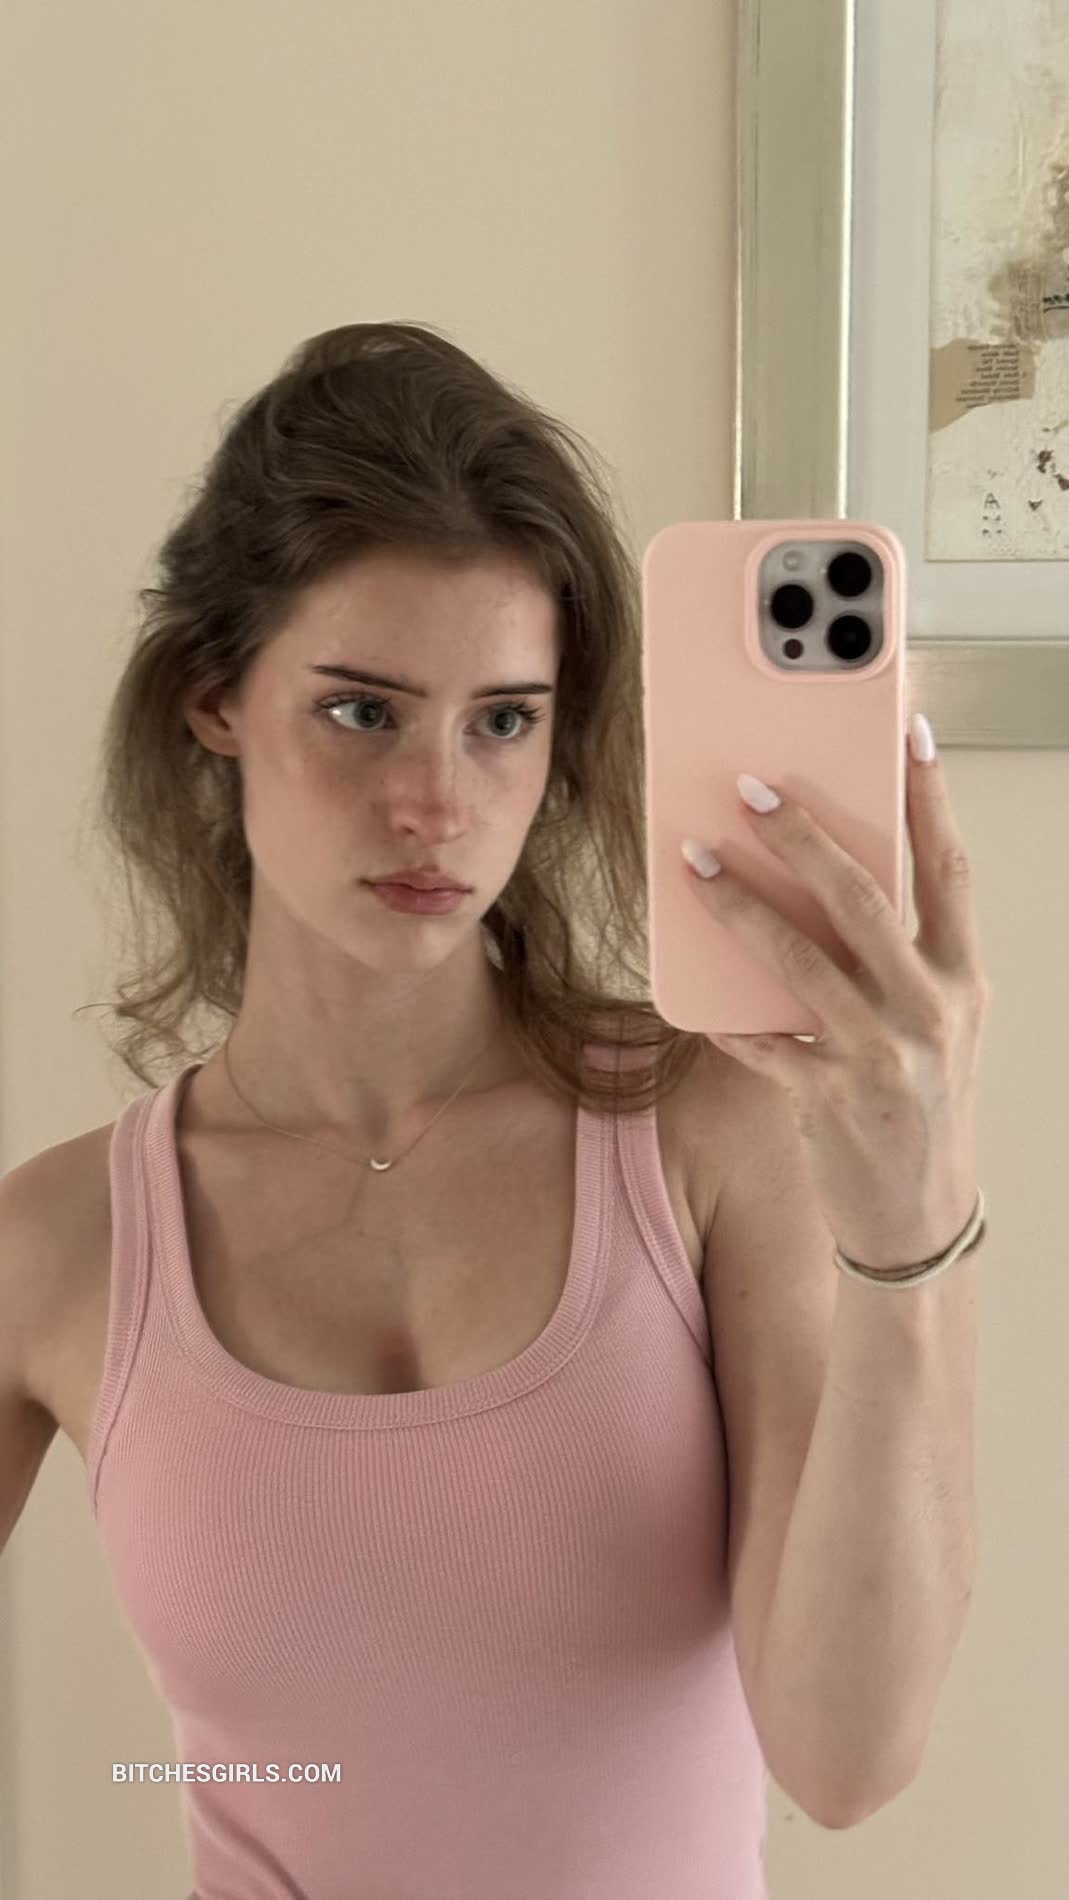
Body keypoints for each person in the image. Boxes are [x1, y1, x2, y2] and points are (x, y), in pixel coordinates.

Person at [39, 323, 769, 1897]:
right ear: (214, 697)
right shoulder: (59, 1243)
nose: (438, 803)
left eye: (502, 718)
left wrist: (915, 1193)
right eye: (363, 711)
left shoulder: (709, 1128)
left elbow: (853, 1750)